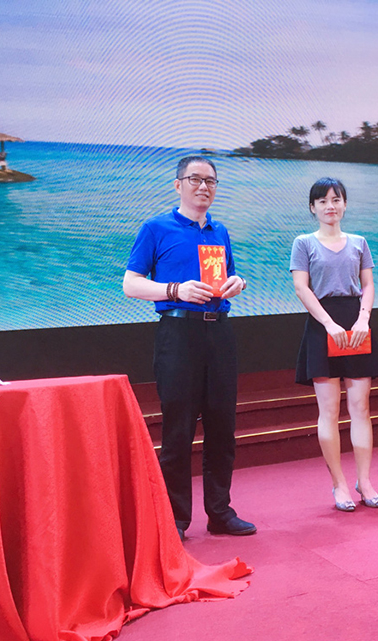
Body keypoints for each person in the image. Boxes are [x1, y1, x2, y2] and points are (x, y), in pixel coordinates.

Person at [123, 156, 256, 540]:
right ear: (178, 184)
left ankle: (220, 512)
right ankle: (176, 519)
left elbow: (229, 276)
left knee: (222, 427)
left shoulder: (220, 230)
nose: (203, 187)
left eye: (210, 181)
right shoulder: (156, 228)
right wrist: (174, 290)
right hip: (178, 334)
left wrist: (239, 283)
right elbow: (130, 284)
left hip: (220, 333)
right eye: (195, 179)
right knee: (178, 429)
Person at [290, 177, 378, 511]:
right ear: (312, 207)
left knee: (361, 408)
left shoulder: (359, 242)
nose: (330, 206)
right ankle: (339, 485)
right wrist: (329, 324)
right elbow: (302, 288)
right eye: (323, 201)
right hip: (323, 326)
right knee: (329, 412)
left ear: (345, 204)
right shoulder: (303, 243)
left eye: (336, 200)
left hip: (356, 325)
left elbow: (368, 285)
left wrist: (363, 319)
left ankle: (365, 481)